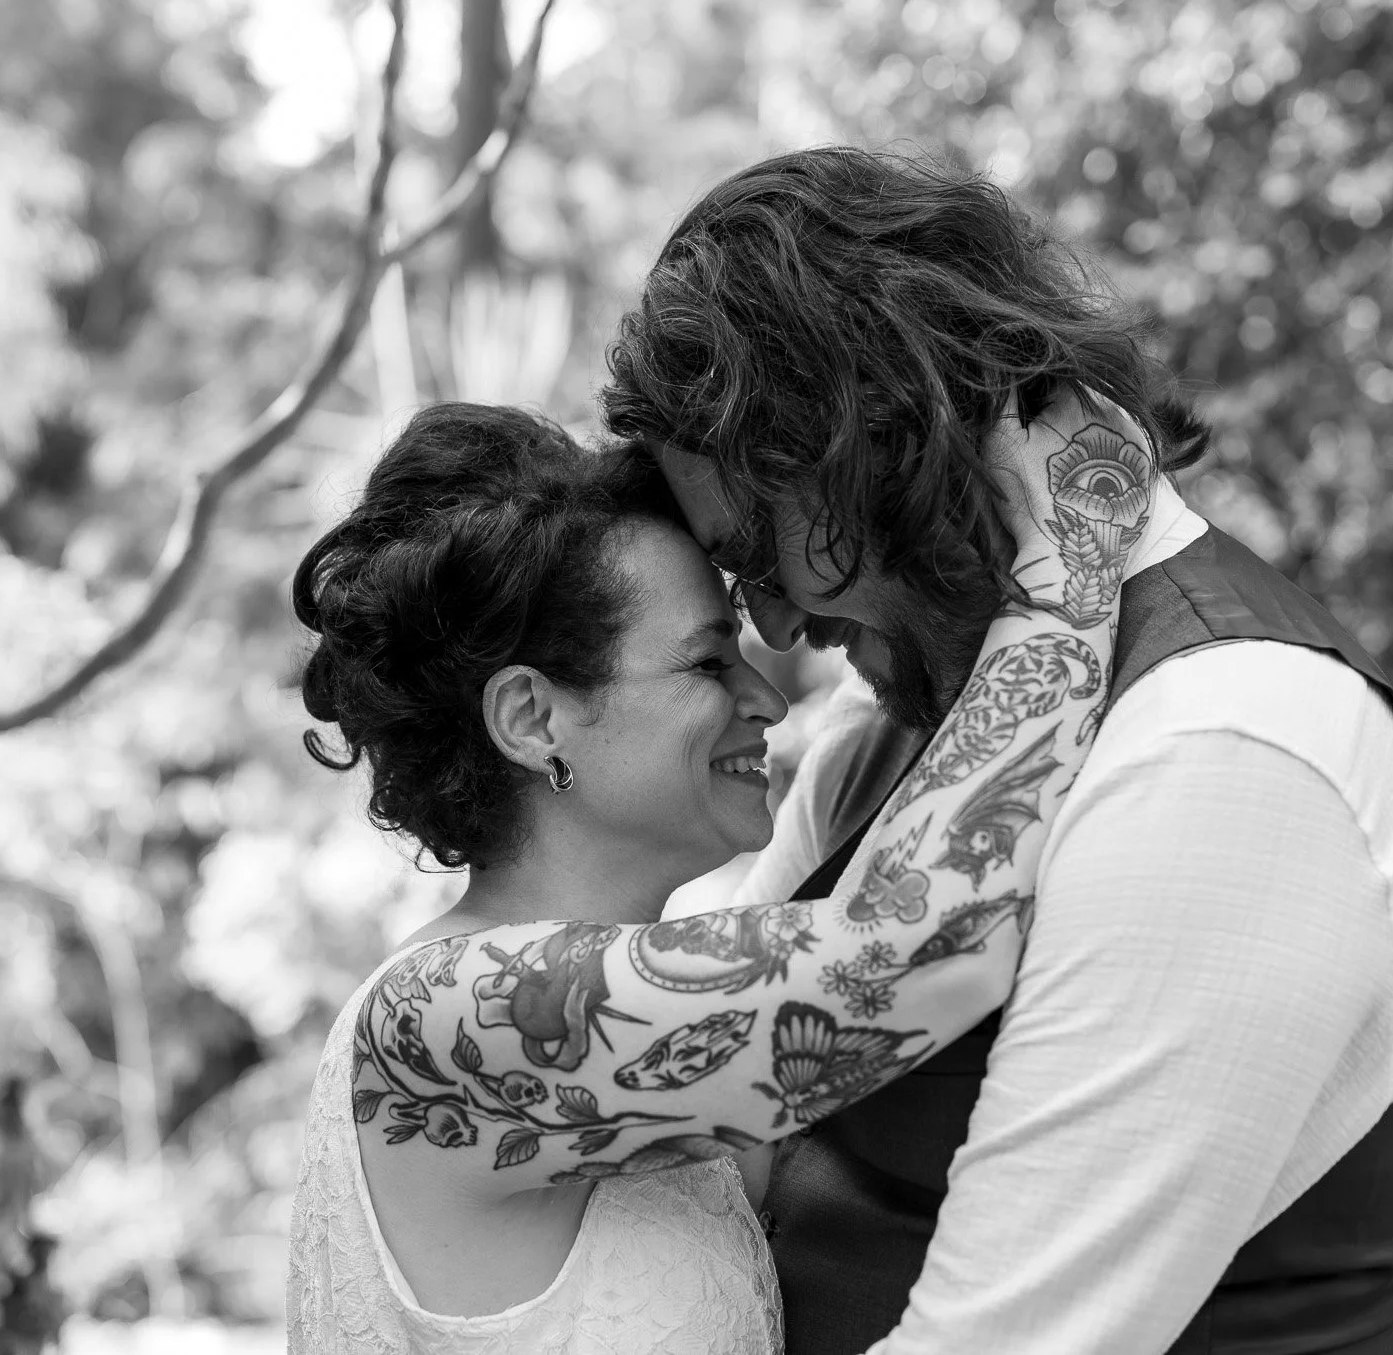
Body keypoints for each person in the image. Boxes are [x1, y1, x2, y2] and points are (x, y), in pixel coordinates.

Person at [603, 146, 1393, 1355]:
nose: (770, 625)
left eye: (761, 552)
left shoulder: (1224, 755)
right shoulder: (891, 729)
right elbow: (725, 1114)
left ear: (886, 445)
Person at [283, 397, 1153, 1352]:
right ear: (532, 718)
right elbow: (904, 958)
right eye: (706, 662)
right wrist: (1071, 558)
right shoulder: (443, 1019)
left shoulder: (650, 1007)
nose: (767, 698)